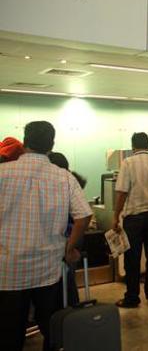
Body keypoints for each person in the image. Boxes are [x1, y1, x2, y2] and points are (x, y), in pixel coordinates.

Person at [0, 121, 92, 351]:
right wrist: (69, 248)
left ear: (25, 141)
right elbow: (84, 216)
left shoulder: (2, 173)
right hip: (48, 271)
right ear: (51, 144)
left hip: (8, 271)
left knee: (8, 334)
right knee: (52, 330)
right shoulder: (64, 177)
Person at [114, 132, 148, 308]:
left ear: (133, 146)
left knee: (132, 258)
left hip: (134, 217)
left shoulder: (127, 163)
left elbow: (122, 192)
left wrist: (116, 216)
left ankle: (132, 296)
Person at [48, 152, 87, 307]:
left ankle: (67, 309)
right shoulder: (71, 180)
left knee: (65, 278)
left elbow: (82, 216)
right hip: (75, 236)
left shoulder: (61, 183)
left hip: (67, 237)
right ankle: (71, 308)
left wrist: (69, 247)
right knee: (68, 277)